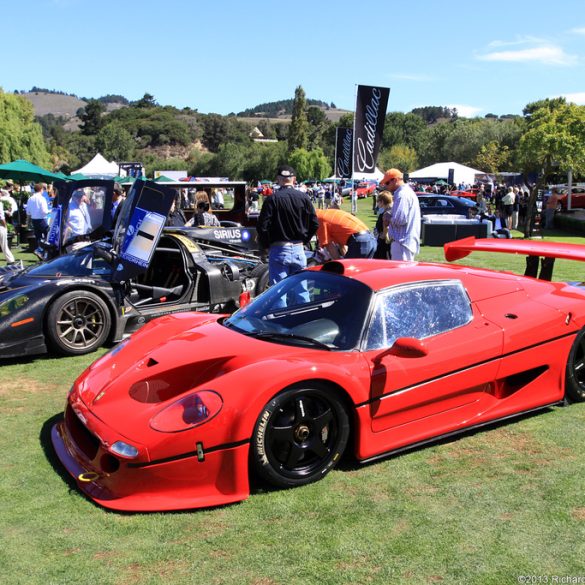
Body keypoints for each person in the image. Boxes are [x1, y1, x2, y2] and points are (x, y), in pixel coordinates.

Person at [257, 164, 318, 286]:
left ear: (278, 179)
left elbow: (262, 227)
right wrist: (304, 240)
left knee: (279, 291)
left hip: (279, 248)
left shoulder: (271, 199)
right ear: (294, 179)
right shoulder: (304, 198)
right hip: (299, 248)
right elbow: (314, 224)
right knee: (301, 290)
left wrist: (266, 246)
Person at [379, 168, 421, 261]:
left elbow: (400, 219)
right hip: (404, 242)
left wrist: (388, 217)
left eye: (387, 183)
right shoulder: (405, 192)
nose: (386, 186)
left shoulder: (402, 194)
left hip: (401, 242)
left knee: (401, 273)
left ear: (395, 180)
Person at [26, 183, 50, 250]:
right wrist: (50, 211)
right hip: (41, 219)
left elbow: (28, 212)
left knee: (38, 238)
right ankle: (46, 251)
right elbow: (44, 211)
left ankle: (40, 251)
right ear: (41, 189)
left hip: (34, 220)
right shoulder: (42, 198)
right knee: (48, 235)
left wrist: (28, 222)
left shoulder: (30, 199)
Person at [373, 191, 393, 259]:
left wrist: (384, 235)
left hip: (383, 242)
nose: (377, 203)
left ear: (382, 201)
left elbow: (386, 227)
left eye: (378, 201)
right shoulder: (388, 210)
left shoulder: (387, 213)